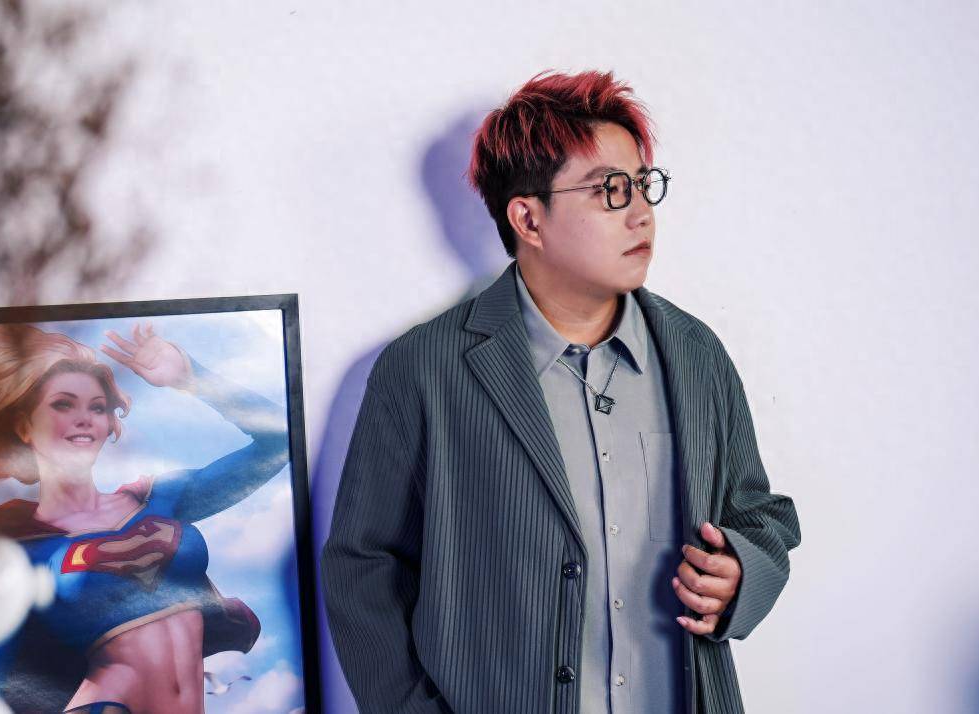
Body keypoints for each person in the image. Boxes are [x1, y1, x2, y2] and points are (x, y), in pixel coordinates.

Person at [322, 70, 801, 713]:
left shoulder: (696, 355)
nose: (641, 213)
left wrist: (742, 573)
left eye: (644, 186)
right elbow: (363, 567)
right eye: (611, 190)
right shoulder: (423, 370)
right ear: (529, 218)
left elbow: (760, 515)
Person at [0, 321, 289, 714]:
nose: (84, 418)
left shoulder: (159, 499)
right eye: (63, 404)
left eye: (98, 407)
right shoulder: (19, 557)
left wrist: (192, 377)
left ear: (108, 424)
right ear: (24, 427)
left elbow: (278, 443)